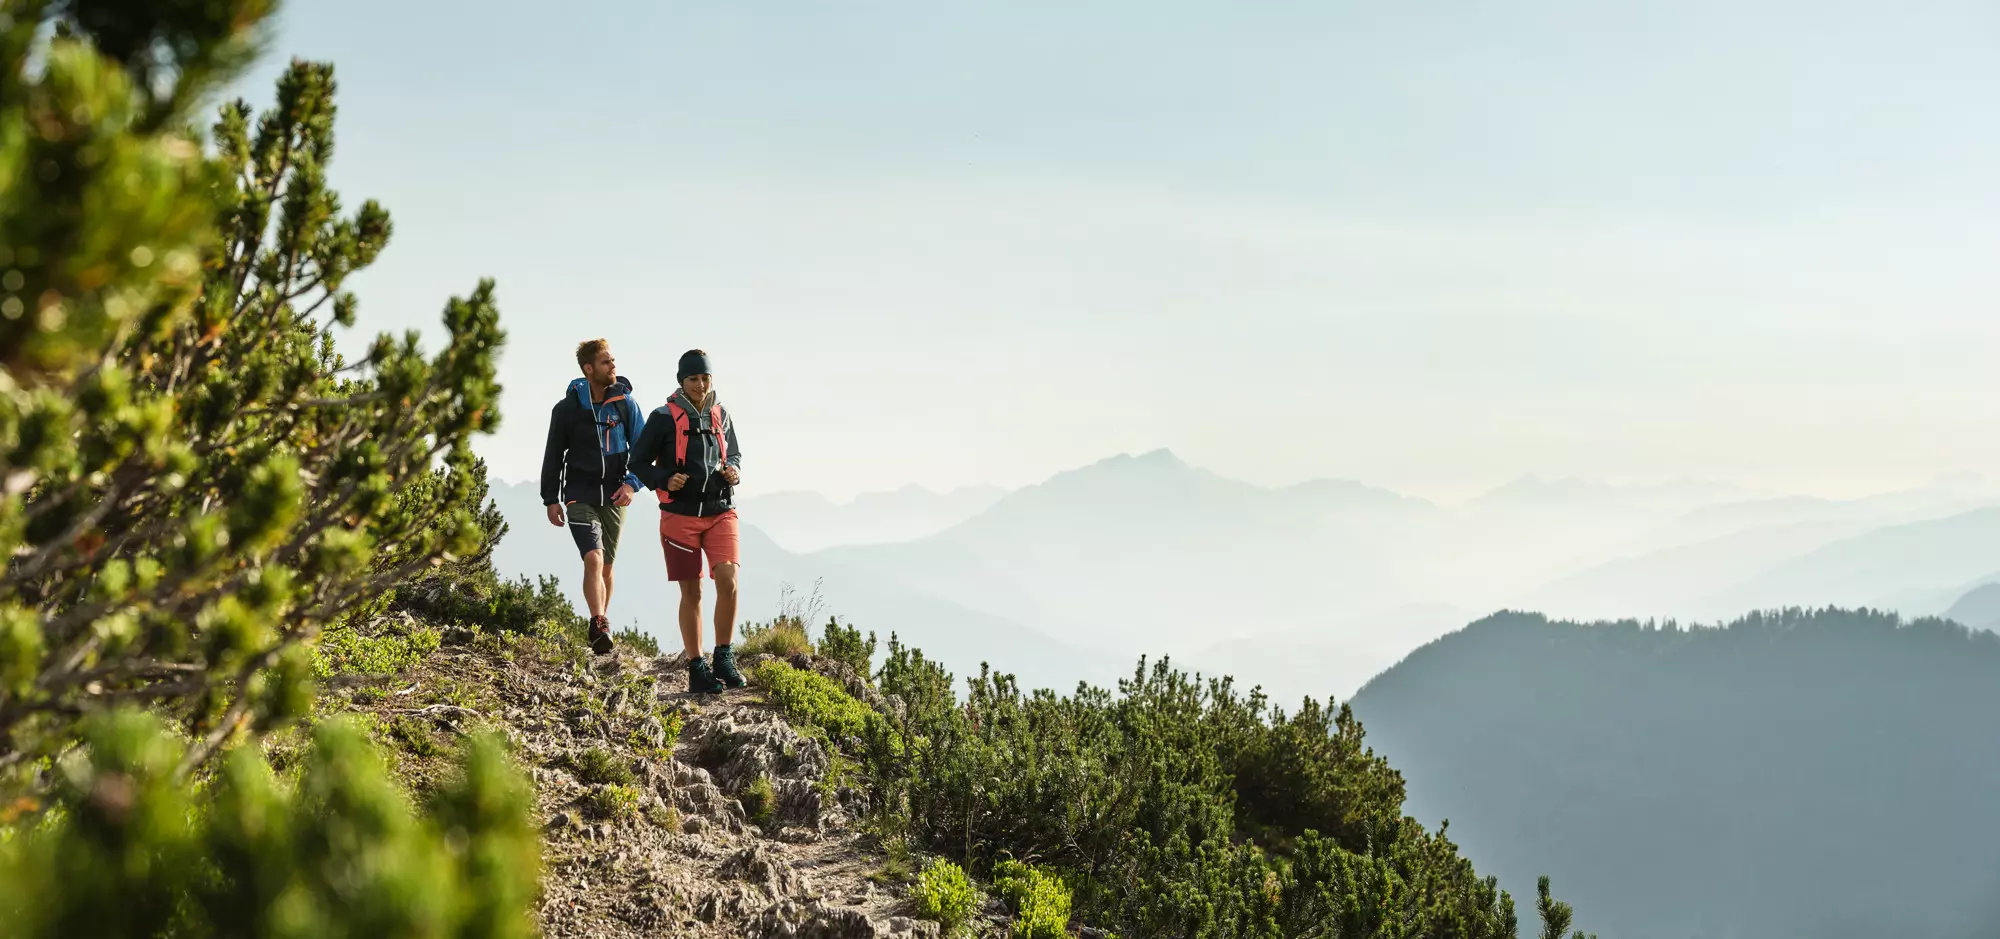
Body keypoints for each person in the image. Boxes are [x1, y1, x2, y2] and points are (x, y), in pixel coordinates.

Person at [629, 349, 744, 693]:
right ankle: (697, 667)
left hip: (721, 510)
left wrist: (734, 470)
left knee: (729, 580)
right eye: (693, 378)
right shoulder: (662, 417)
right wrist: (664, 479)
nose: (700, 384)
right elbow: (637, 462)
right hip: (679, 516)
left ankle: (723, 656)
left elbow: (734, 453)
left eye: (705, 378)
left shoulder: (722, 413)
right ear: (681, 381)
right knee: (692, 592)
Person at [539, 338, 647, 655]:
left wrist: (632, 484)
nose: (613, 366)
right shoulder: (567, 409)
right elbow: (553, 455)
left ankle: (600, 627)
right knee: (594, 558)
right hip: (579, 493)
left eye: (613, 361)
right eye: (606, 362)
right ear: (588, 369)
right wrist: (550, 498)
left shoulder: (625, 404)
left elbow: (643, 450)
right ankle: (598, 621)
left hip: (615, 495)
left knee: (606, 568)